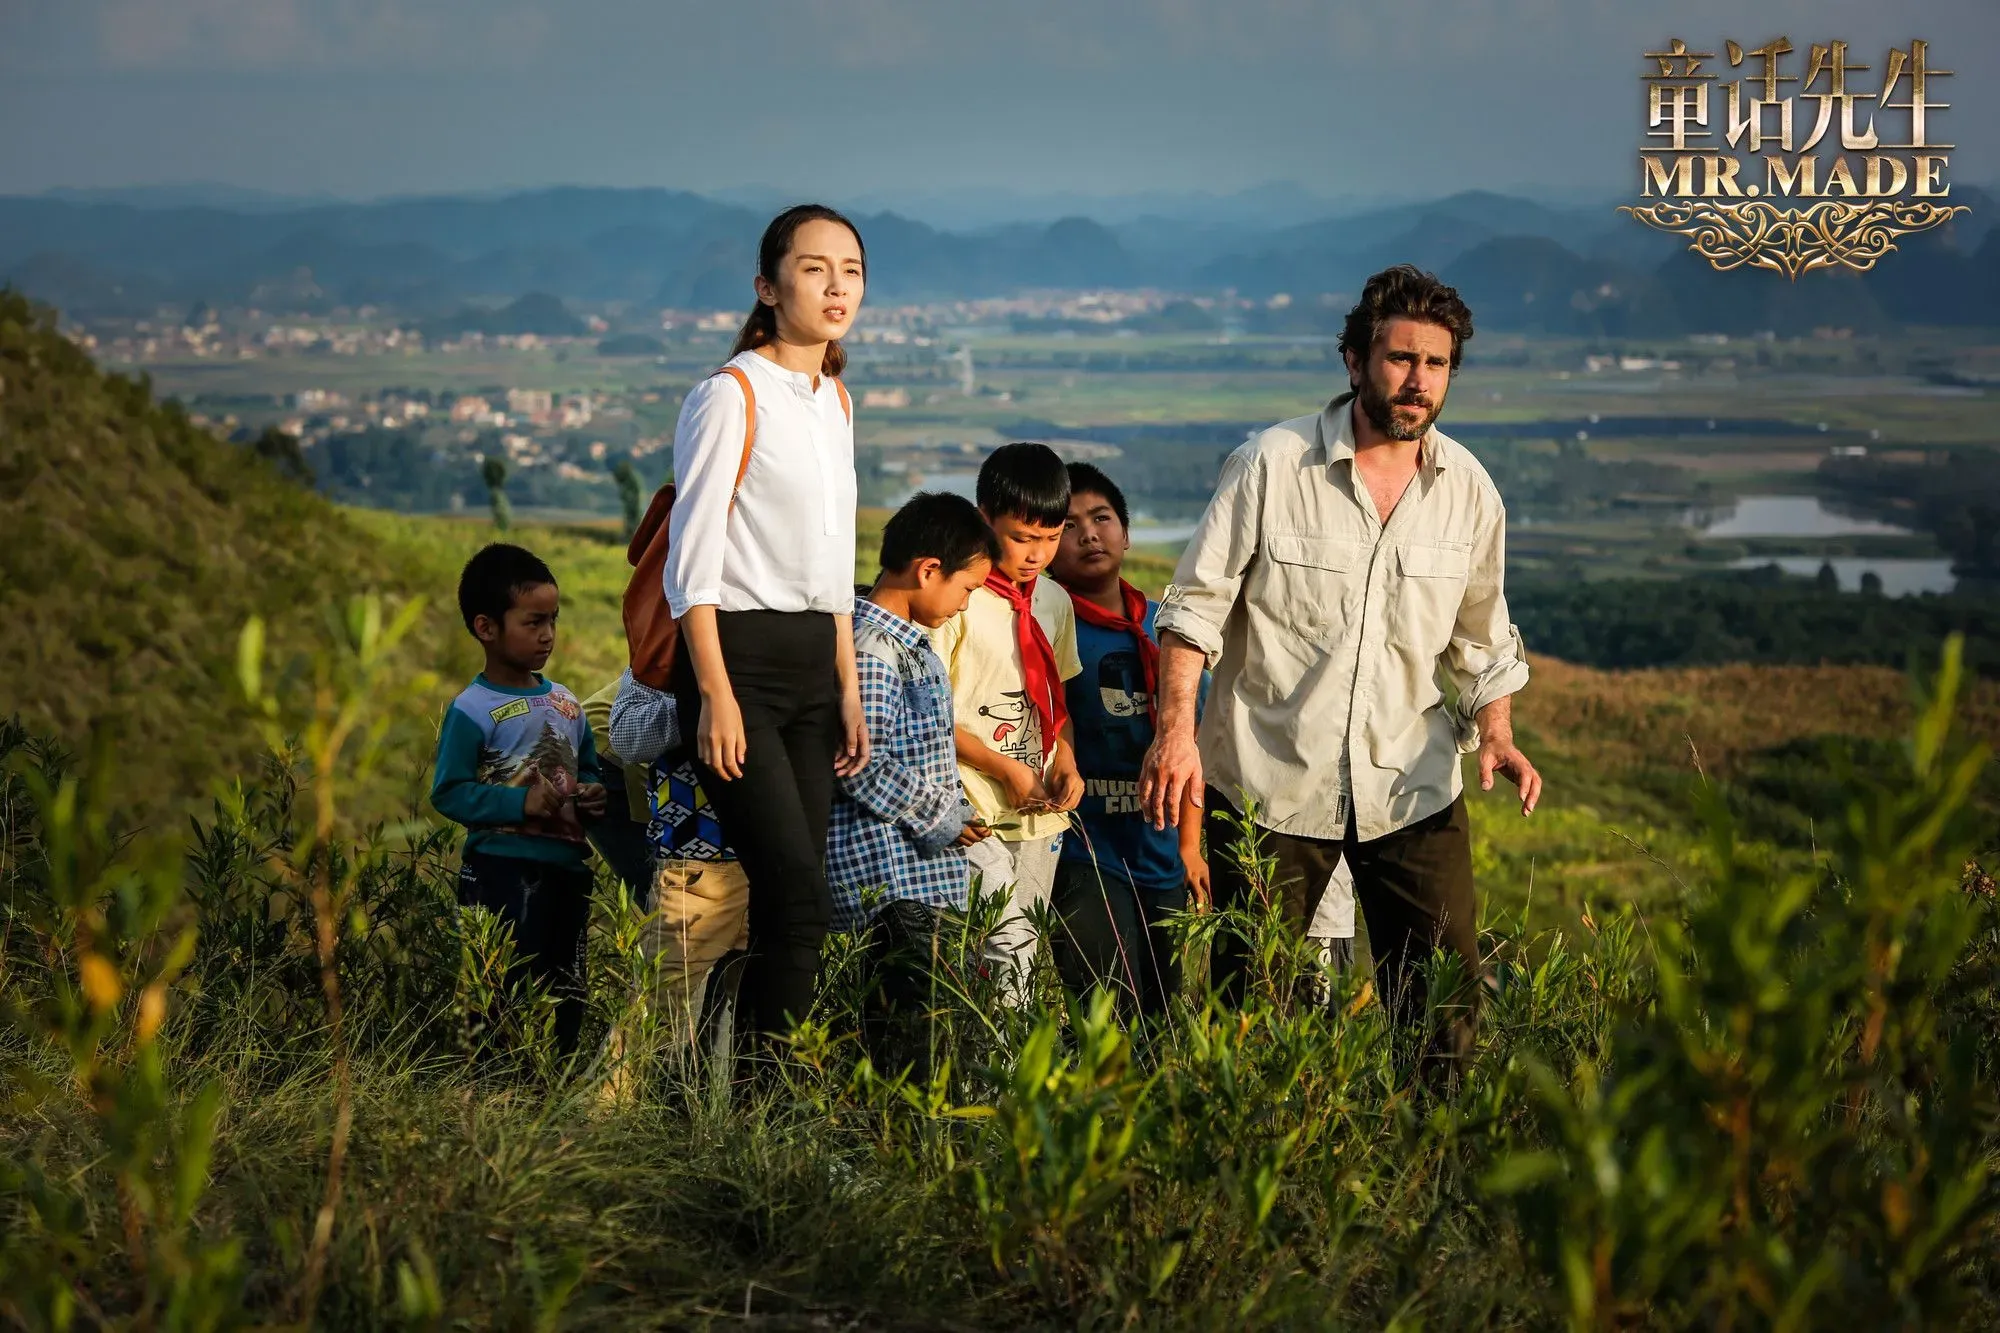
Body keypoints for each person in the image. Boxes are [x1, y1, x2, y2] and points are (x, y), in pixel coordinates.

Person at [1141, 264, 1543, 1072]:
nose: (1417, 380)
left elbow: (1481, 637)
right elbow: (1193, 611)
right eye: (1399, 359)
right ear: (1355, 361)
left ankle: (1431, 1179)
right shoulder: (1269, 464)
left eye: (1435, 364)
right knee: (1256, 1010)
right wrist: (1176, 734)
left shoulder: (1469, 490)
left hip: (1413, 784)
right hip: (1269, 784)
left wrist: (1496, 728)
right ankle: (1255, 1179)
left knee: (1442, 1010)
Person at [664, 204, 870, 1053]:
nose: (836, 285)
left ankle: (726, 1091)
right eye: (815, 267)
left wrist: (849, 689)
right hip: (737, 663)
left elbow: (831, 571)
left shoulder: (835, 400)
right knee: (796, 899)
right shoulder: (730, 393)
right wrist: (714, 692)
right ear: (768, 285)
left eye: (851, 269)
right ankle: (760, 1105)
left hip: (812, 674)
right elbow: (692, 561)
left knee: (796, 901)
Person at [826, 492, 998, 1051]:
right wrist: (946, 816)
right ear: (929, 570)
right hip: (893, 880)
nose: (966, 605)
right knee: (914, 1045)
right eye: (968, 589)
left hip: (914, 877)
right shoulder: (875, 649)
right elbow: (858, 762)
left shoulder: (901, 643)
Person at [432, 543, 608, 1057]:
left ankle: (556, 1086)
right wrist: (518, 807)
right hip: (500, 872)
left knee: (566, 986)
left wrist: (593, 793)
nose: (548, 635)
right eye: (533, 622)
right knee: (500, 992)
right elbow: (450, 791)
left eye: (553, 620)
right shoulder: (472, 709)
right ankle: (496, 1096)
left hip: (568, 870)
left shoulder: (567, 702)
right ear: (486, 627)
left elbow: (588, 767)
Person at [1045, 463, 1205, 1019]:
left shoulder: (1168, 628)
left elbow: (1192, 744)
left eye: (1102, 518)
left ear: (1126, 533)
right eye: (1068, 525)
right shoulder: (1047, 627)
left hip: (1159, 851)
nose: (1089, 533)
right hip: (1085, 850)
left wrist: (1189, 846)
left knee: (1164, 1016)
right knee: (1108, 1014)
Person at [931, 443, 1085, 1003]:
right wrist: (1003, 769)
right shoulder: (956, 601)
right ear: (984, 519)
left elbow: (1057, 702)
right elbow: (930, 717)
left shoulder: (1054, 602)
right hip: (975, 806)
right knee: (992, 948)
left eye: (1051, 538)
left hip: (1039, 814)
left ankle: (1008, 1073)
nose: (1036, 555)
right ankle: (979, 1068)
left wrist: (1065, 760)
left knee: (1017, 967)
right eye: (1021, 538)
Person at [606, 669, 752, 1065]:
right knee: (653, 1018)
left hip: (773, 860)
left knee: (744, 1030)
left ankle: (711, 1122)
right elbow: (625, 735)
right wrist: (704, 700)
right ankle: (597, 1123)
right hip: (696, 862)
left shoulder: (802, 622)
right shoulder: (670, 645)